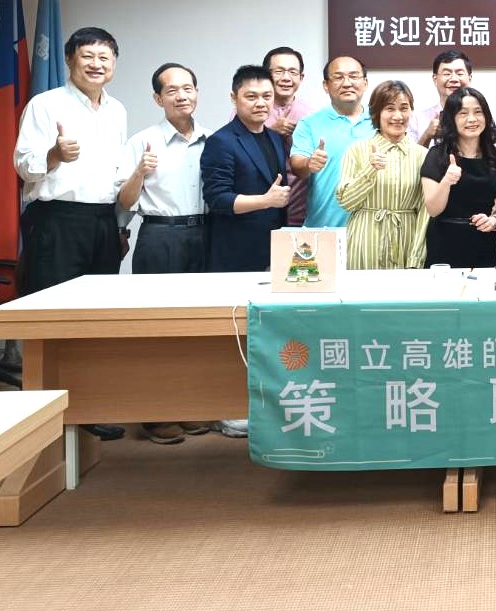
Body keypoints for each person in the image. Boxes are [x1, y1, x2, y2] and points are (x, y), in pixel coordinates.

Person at [13, 26, 128, 440]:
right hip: (57, 221)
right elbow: (24, 165)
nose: (96, 64)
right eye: (87, 56)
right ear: (69, 60)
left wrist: (119, 225)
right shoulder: (45, 105)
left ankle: (86, 408)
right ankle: (43, 421)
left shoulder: (117, 110)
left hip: (102, 222)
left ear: (113, 64)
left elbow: (116, 175)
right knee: (52, 318)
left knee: (94, 318)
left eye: (104, 57)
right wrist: (55, 155)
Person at [117, 62, 214, 444]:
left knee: (198, 327)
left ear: (197, 93)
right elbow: (124, 202)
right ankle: (156, 414)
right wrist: (139, 172)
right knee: (157, 328)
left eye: (188, 88)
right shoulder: (143, 142)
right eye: (171, 90)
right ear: (158, 98)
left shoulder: (212, 140)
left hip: (205, 234)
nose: (181, 96)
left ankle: (188, 406)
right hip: (160, 235)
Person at [201, 65, 289, 273]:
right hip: (235, 252)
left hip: (274, 249)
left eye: (267, 96)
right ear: (234, 97)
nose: (261, 103)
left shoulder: (275, 138)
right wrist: (265, 201)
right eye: (251, 96)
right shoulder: (221, 141)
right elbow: (217, 199)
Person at [336, 80, 428, 269]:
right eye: (389, 108)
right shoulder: (357, 150)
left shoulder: (422, 155)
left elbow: (425, 211)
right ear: (377, 113)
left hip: (406, 239)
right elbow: (346, 202)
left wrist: (416, 257)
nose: (398, 116)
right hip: (364, 239)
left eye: (404, 108)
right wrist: (370, 170)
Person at [420, 88, 496, 268]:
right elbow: (433, 209)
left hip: (485, 242)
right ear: (451, 119)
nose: (472, 119)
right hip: (445, 242)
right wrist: (447, 181)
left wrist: (494, 220)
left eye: (478, 112)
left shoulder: (494, 156)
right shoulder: (437, 155)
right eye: (463, 113)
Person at [289, 55, 374, 228]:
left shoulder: (381, 121)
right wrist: (309, 163)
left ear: (365, 83)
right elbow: (297, 166)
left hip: (371, 228)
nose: (347, 83)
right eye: (338, 77)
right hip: (324, 226)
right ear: (326, 86)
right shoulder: (309, 123)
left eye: (353, 76)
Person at [263, 46, 314, 226]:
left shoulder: (311, 114)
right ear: (266, 75)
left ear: (301, 77)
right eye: (279, 71)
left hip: (300, 211)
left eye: (293, 72)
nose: (286, 78)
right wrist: (270, 132)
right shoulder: (249, 110)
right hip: (258, 208)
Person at [408, 50, 472, 148]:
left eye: (459, 74)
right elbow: (410, 157)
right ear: (435, 79)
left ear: (470, 79)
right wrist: (427, 135)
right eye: (447, 74)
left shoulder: (480, 117)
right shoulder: (417, 120)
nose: (454, 79)